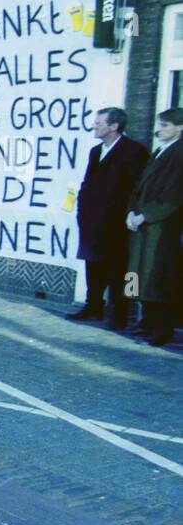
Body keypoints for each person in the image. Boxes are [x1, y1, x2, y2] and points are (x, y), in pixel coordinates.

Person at [67, 107, 149, 328]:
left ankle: (119, 315)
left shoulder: (134, 151)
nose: (95, 126)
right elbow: (88, 182)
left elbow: (135, 189)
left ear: (114, 126)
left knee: (118, 270)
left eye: (99, 123)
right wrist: (82, 208)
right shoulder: (95, 151)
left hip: (116, 223)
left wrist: (124, 215)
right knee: (92, 266)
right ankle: (93, 306)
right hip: (92, 221)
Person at [124, 108, 183, 346]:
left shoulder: (179, 154)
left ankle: (161, 328)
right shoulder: (159, 151)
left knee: (158, 277)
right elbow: (138, 186)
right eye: (159, 124)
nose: (159, 130)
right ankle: (143, 321)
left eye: (165, 125)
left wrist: (145, 215)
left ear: (180, 128)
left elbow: (174, 195)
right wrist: (131, 210)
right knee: (137, 275)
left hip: (161, 229)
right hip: (142, 225)